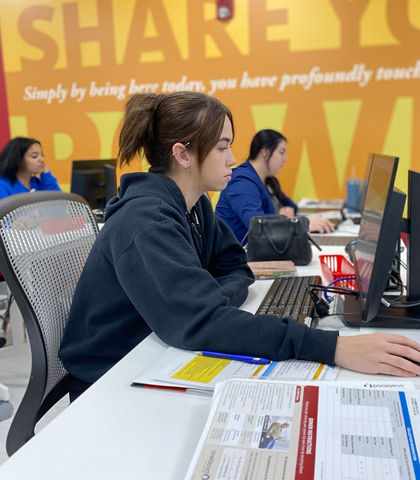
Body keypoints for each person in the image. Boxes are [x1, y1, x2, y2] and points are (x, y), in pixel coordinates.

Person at [59, 92, 420, 401]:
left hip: (153, 349)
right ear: (183, 155)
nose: (232, 159)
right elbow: (201, 322)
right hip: (109, 380)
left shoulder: (194, 203)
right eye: (222, 147)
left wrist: (212, 299)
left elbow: (235, 269)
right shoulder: (146, 221)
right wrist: (333, 348)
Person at [215, 129, 334, 244]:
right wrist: (299, 224)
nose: (285, 159)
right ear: (265, 152)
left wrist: (287, 213)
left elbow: (292, 207)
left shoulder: (269, 181)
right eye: (281, 152)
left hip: (264, 249)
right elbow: (256, 224)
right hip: (240, 256)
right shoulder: (241, 182)